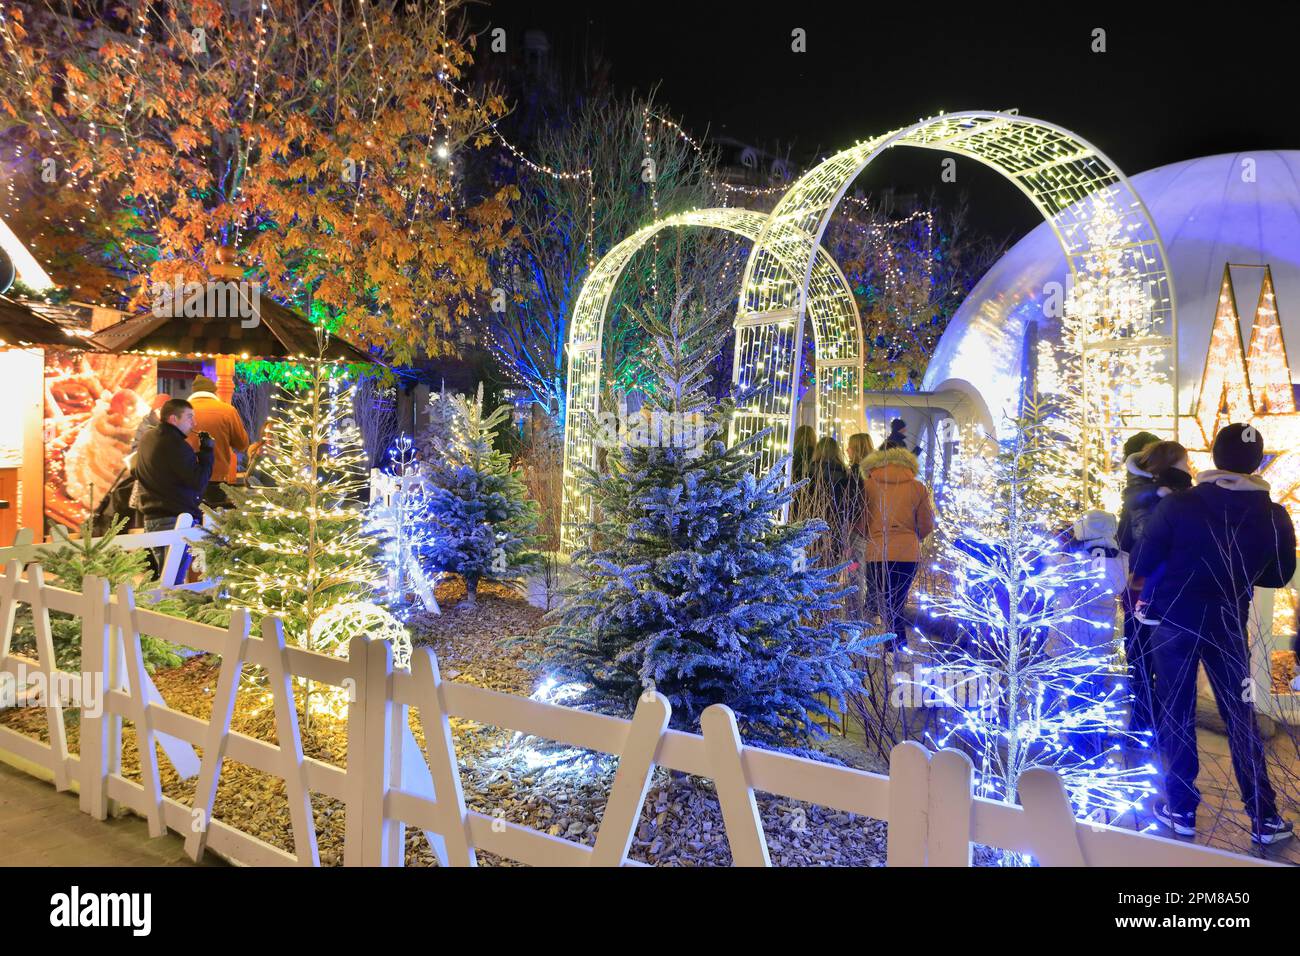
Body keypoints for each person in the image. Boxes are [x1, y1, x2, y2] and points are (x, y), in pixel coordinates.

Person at [1132, 422, 1295, 845]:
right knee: (1239, 718)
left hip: (1173, 620)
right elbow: (1279, 575)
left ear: (1215, 457)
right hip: (1227, 623)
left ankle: (1181, 808)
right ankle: (1264, 816)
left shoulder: (1180, 505)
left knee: (1176, 713)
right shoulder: (1272, 514)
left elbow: (1145, 559)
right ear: (1257, 461)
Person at [1117, 437, 1192, 734]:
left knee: (1144, 660)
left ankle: (1146, 723)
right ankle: (1150, 726)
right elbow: (1143, 546)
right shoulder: (1159, 500)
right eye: (1183, 462)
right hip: (1150, 592)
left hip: (1145, 591)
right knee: (1150, 661)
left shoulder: (1144, 497)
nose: (1189, 468)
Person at [857, 444, 936, 649]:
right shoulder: (917, 487)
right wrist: (911, 537)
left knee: (886, 599)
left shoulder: (867, 486)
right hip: (907, 553)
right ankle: (896, 644)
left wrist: (873, 535)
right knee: (898, 600)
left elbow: (860, 522)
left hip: (877, 551)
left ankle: (892, 645)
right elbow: (927, 524)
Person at [134, 398, 214, 584]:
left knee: (161, 577)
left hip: (152, 518)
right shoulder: (175, 445)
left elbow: (137, 471)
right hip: (174, 519)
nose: (193, 423)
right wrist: (207, 452)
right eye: (189, 417)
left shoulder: (148, 438)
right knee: (171, 581)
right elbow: (198, 481)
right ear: (173, 419)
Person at [186, 376, 249, 510]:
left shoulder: (180, 411)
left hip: (184, 477)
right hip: (216, 477)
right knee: (213, 522)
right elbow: (242, 444)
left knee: (185, 521)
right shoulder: (227, 411)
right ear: (213, 392)